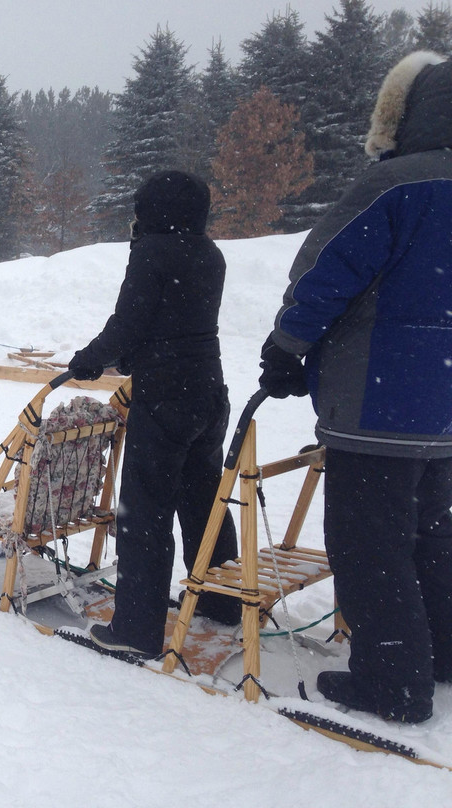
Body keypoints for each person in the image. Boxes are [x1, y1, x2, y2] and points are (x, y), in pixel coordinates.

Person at [259, 51, 452, 724]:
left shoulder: (395, 186)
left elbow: (325, 275)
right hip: (445, 411)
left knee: (369, 545)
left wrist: (286, 349)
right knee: (432, 535)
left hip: (378, 399)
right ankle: (441, 654)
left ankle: (392, 681)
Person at [68, 170, 240, 659]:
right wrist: (130, 356)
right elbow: (175, 323)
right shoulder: (210, 253)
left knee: (144, 513)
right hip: (208, 391)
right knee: (203, 499)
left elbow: (130, 322)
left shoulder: (151, 252)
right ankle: (221, 601)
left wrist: (90, 358)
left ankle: (137, 630)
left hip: (165, 398)